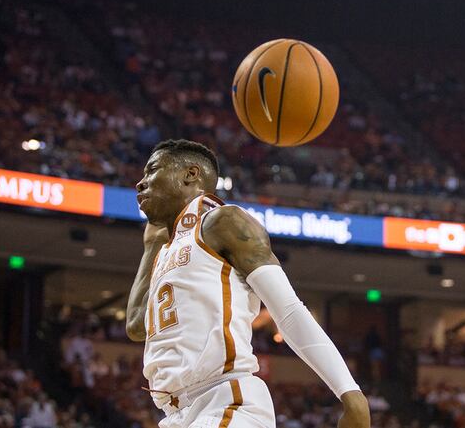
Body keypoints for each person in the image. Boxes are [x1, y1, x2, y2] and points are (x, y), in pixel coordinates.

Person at [127, 139, 370, 428]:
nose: (141, 183)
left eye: (152, 170)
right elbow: (137, 326)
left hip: (227, 400)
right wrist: (151, 248)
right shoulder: (166, 250)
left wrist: (349, 392)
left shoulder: (223, 221)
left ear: (190, 174)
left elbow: (289, 310)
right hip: (176, 415)